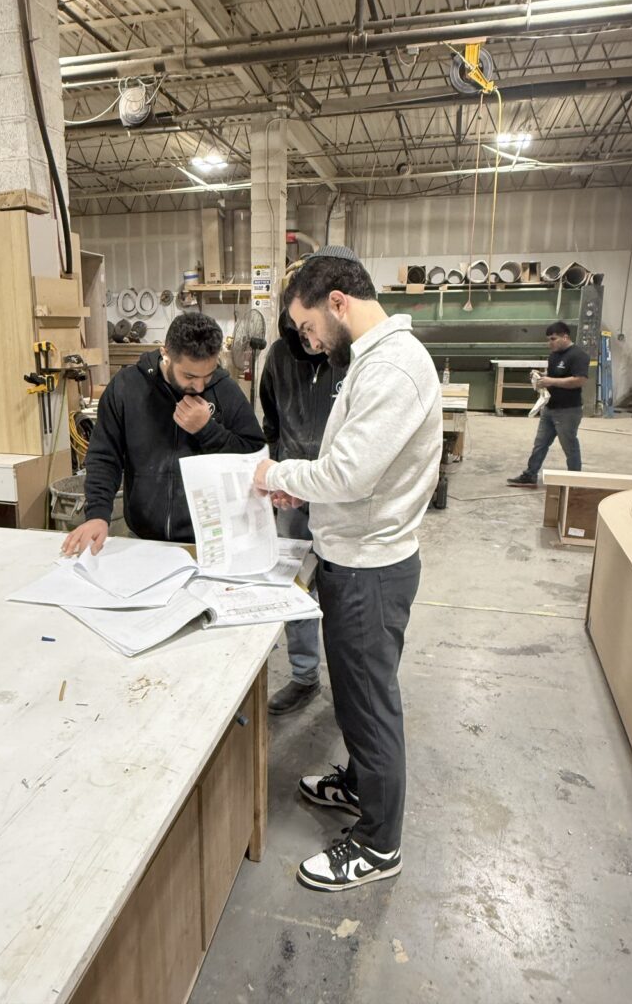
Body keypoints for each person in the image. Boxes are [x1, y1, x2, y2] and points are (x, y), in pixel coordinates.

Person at [253, 251, 442, 892]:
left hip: (370, 569)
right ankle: (360, 784)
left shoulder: (390, 366)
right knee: (359, 697)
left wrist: (278, 475)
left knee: (369, 704)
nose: (307, 341)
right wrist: (303, 492)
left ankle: (378, 843)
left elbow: (350, 473)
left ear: (337, 303)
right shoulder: (372, 361)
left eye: (308, 327)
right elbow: (349, 470)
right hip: (354, 559)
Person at [62, 311, 265, 556]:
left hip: (209, 543)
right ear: (165, 353)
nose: (199, 386)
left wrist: (208, 431)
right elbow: (105, 457)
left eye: (207, 375)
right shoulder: (127, 388)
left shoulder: (225, 391)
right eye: (189, 376)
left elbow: (253, 457)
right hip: (142, 539)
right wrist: (97, 515)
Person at [261, 295, 348, 715]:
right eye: (303, 334)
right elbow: (271, 419)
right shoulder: (279, 356)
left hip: (340, 496)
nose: (312, 343)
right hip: (292, 494)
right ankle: (304, 676)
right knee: (293, 585)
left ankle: (350, 685)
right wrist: (279, 467)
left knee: (343, 589)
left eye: (314, 333)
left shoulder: (347, 356)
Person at [507, 321, 590, 488]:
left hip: (568, 410)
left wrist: (551, 380)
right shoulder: (554, 355)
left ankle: (575, 481)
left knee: (569, 445)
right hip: (550, 408)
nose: (549, 343)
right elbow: (554, 375)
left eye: (553, 339)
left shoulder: (578, 355)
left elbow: (579, 380)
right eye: (548, 339)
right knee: (540, 443)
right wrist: (541, 377)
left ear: (565, 337)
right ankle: (530, 475)